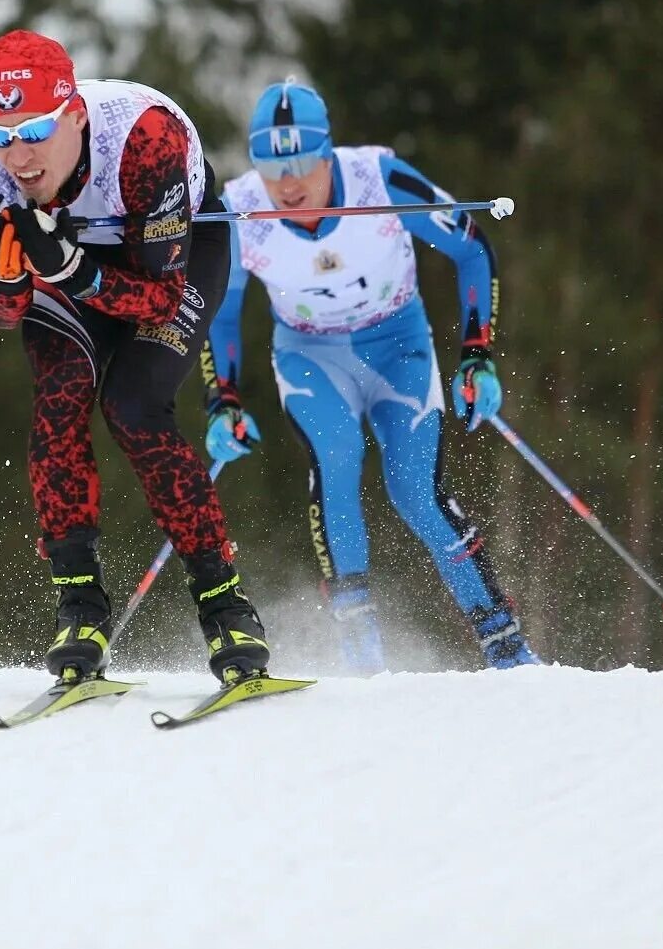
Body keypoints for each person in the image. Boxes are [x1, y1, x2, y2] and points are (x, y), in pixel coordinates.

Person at [0, 29, 270, 686]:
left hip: (169, 260)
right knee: (60, 397)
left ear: (72, 113)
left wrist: (71, 270)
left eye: (34, 130)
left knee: (134, 406)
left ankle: (225, 605)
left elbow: (158, 299)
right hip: (67, 268)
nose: (18, 156)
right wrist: (5, 280)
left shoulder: (145, 140)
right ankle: (80, 608)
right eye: (0, 134)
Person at [201, 77, 541, 672]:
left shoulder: (377, 178)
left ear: (327, 150)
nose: (287, 182)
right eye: (270, 164)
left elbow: (471, 246)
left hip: (396, 347)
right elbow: (219, 312)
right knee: (335, 458)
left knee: (415, 491)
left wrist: (478, 354)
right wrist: (221, 400)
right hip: (310, 356)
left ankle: (505, 644)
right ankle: (360, 648)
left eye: (303, 161)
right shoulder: (239, 210)